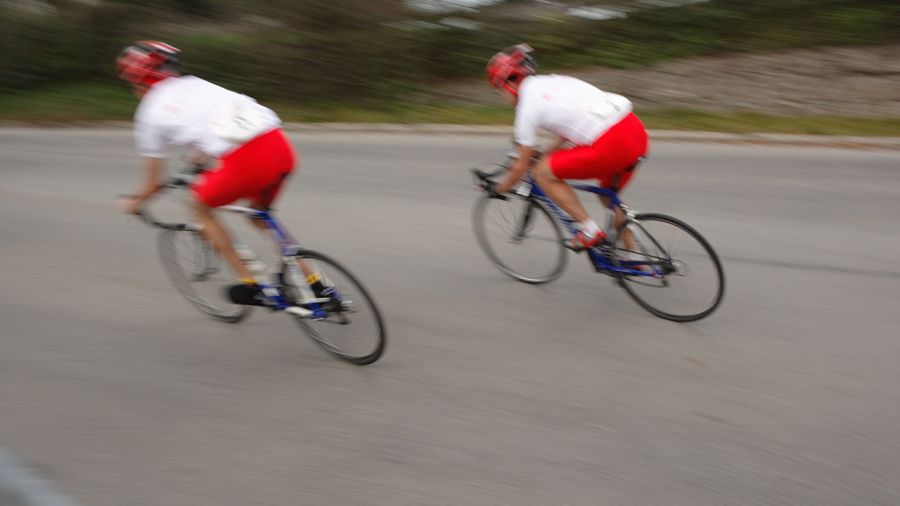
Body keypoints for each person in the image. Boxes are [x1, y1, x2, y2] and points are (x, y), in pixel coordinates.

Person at [115, 40, 325, 305]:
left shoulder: (148, 114)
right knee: (259, 216)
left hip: (247, 161)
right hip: (280, 147)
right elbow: (213, 123)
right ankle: (316, 283)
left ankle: (250, 283)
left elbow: (152, 182)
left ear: (137, 80)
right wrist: (200, 157)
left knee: (199, 207)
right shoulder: (196, 84)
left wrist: (134, 202)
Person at [485, 44, 649, 250]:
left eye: (498, 89)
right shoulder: (554, 81)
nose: (501, 96)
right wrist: (545, 153)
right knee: (608, 196)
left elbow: (520, 168)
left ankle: (589, 230)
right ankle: (633, 258)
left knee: (541, 173)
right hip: (635, 131)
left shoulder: (527, 108)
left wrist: (499, 189)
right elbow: (568, 128)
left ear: (508, 82)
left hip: (612, 143)